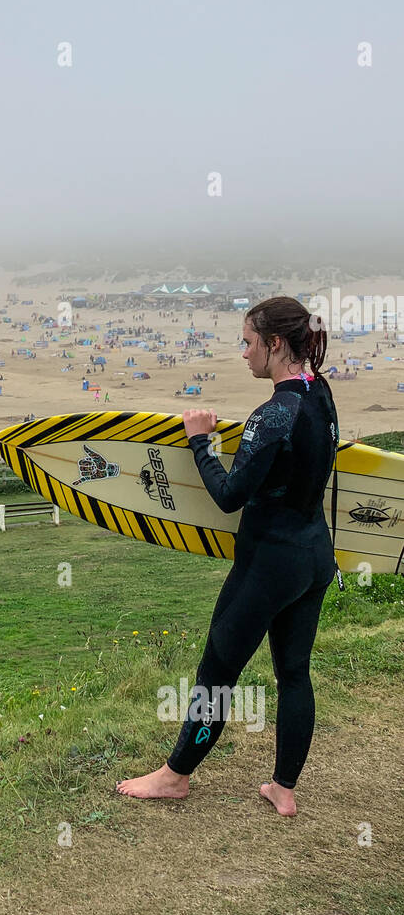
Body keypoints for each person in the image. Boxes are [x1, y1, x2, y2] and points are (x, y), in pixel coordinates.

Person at [117, 297, 340, 817]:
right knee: (294, 674)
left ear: (275, 344)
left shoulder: (272, 414)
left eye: (247, 342)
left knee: (216, 673)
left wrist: (199, 440)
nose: (243, 353)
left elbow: (229, 495)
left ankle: (174, 778)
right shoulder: (320, 394)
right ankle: (283, 789)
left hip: (267, 566)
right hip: (314, 559)